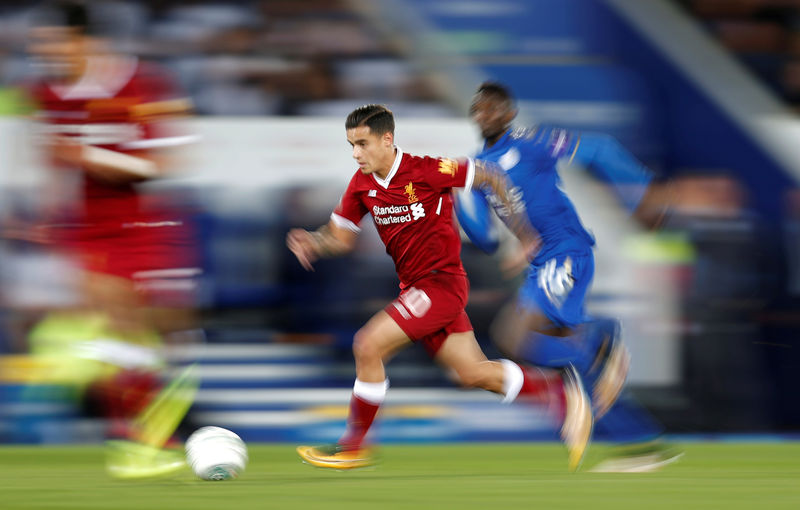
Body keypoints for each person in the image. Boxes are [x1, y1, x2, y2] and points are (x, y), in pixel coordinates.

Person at [287, 104, 593, 471]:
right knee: (473, 373)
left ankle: (354, 445)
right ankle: (559, 393)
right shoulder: (361, 186)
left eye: (363, 144)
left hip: (441, 285)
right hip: (415, 288)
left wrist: (522, 234)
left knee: (367, 345)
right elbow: (339, 238)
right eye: (351, 145)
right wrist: (314, 242)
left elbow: (489, 175)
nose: (356, 153)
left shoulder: (428, 170)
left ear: (387, 139)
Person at [458, 81, 679, 471]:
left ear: (510, 114)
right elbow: (485, 239)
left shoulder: (530, 141)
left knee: (517, 337)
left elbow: (599, 148)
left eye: (493, 107)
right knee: (552, 350)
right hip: (543, 265)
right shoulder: (479, 168)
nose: (484, 113)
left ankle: (598, 342)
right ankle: (640, 442)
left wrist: (642, 191)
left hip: (566, 253)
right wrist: (455, 199)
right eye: (478, 108)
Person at [23, 0, 200, 478]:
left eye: (51, 41)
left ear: (82, 40)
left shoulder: (140, 83)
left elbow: (161, 165)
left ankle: (129, 416)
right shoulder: (46, 92)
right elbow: (51, 156)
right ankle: (140, 442)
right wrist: (49, 209)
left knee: (157, 336)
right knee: (115, 322)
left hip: (140, 225)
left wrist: (92, 156)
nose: (42, 51)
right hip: (84, 230)